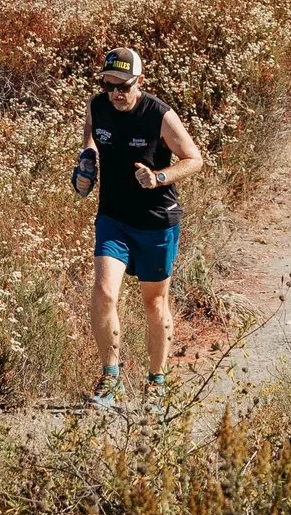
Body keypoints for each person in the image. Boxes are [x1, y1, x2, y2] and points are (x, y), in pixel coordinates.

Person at [75, 45, 202, 408]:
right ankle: (110, 379)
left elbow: (194, 159)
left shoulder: (160, 115)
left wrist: (160, 176)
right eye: (110, 84)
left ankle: (157, 382)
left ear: (140, 83)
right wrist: (85, 167)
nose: (116, 92)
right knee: (103, 293)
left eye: (124, 85)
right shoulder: (97, 106)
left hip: (156, 223)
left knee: (154, 302)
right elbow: (91, 142)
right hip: (113, 219)